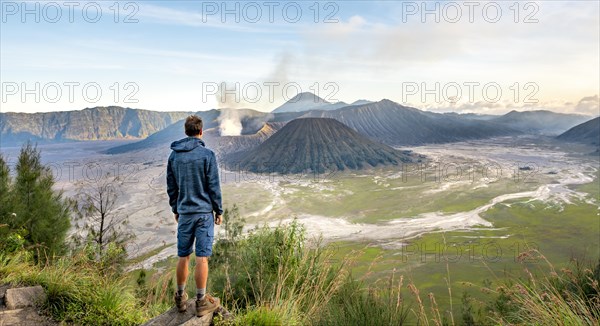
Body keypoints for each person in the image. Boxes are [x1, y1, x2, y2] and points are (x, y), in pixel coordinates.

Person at [166, 115, 223, 317]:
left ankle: (180, 298)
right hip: (203, 214)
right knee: (202, 258)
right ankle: (201, 302)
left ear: (186, 131)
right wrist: (219, 210)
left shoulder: (174, 156)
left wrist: (176, 209)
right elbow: (213, 186)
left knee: (183, 256)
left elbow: (171, 188)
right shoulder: (207, 155)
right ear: (200, 131)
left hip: (185, 213)